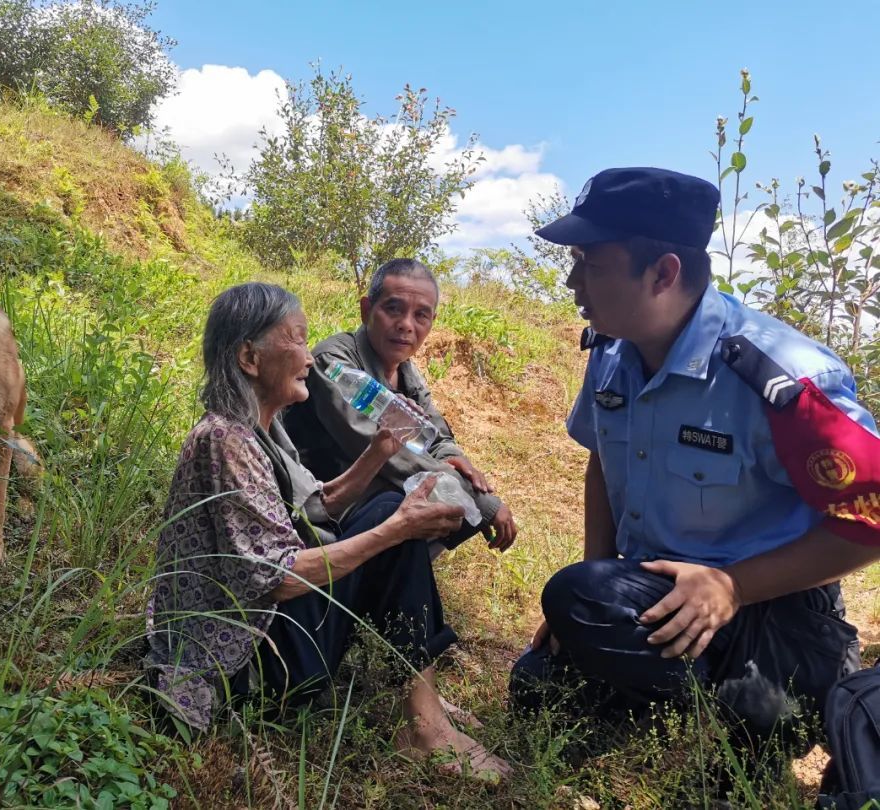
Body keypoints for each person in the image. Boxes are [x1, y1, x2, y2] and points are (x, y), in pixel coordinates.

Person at [509, 167, 880, 737]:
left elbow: (872, 516)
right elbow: (602, 461)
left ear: (663, 273)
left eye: (591, 264)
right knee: (540, 678)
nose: (571, 283)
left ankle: (769, 697)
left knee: (770, 726)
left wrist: (732, 587)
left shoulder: (780, 378)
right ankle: (678, 695)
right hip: (659, 593)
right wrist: (595, 585)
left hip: (770, 607)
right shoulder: (612, 352)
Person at [146, 282, 512, 780]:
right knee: (392, 522)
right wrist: (398, 529)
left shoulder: (257, 428)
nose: (310, 356)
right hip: (248, 665)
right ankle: (424, 728)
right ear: (250, 358)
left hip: (272, 632)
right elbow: (278, 579)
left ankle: (424, 703)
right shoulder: (224, 441)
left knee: (387, 505)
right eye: (296, 340)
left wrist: (380, 450)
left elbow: (318, 503)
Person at [285, 258, 517, 557]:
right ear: (366, 310)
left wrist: (456, 460)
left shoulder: (405, 369)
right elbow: (378, 449)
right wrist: (481, 502)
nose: (406, 325)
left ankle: (396, 578)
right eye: (393, 308)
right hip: (322, 505)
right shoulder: (334, 361)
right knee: (424, 501)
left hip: (367, 494)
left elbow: (434, 433)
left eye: (421, 315)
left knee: (456, 508)